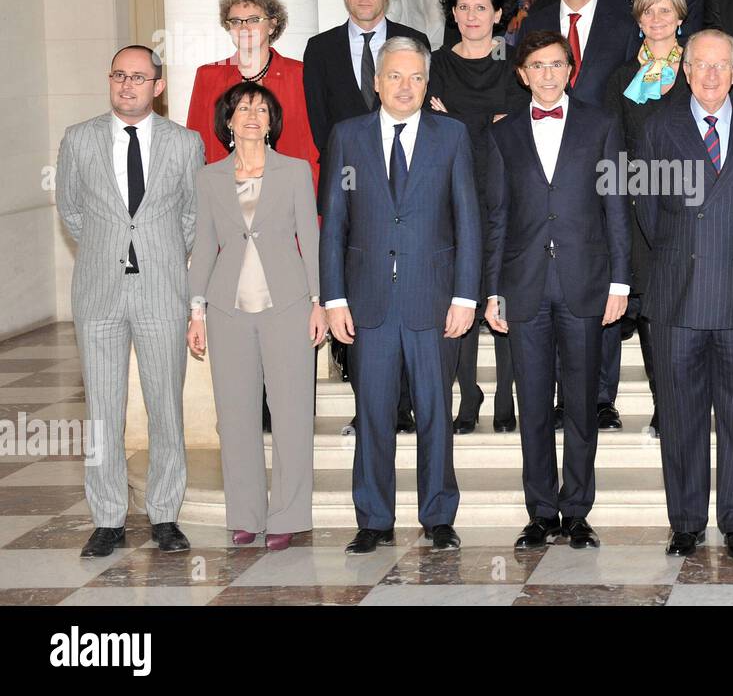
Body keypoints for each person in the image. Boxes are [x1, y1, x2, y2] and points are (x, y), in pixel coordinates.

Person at [320, 36, 481, 554]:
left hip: (433, 299)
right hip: (366, 302)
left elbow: (469, 221)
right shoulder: (347, 137)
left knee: (436, 410)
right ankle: (373, 518)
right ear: (377, 81)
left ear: (426, 82)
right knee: (372, 411)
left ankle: (438, 516)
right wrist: (334, 298)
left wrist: (466, 296)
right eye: (395, 76)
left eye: (415, 77)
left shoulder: (452, 136)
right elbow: (334, 225)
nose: (405, 86)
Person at [484, 31, 631, 551]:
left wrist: (620, 280)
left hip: (585, 282)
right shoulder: (503, 135)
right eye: (537, 66)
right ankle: (541, 511)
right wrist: (492, 289)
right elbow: (497, 216)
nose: (548, 74)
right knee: (534, 405)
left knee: (581, 404)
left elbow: (616, 208)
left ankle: (577, 511)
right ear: (522, 74)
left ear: (570, 69)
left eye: (557, 65)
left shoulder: (601, 124)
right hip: (523, 285)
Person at [56, 45, 204, 558]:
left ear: (157, 87)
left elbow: (192, 214)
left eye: (138, 78)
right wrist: (109, 249)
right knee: (102, 410)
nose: (126, 85)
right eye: (119, 75)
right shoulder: (78, 139)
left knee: (165, 406)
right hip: (98, 293)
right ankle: (107, 518)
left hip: (163, 290)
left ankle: (165, 515)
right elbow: (71, 211)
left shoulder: (186, 143)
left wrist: (159, 253)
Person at [638, 29, 733, 560]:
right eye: (702, 65)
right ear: (685, 71)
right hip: (677, 297)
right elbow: (648, 216)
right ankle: (688, 522)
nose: (712, 75)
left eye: (722, 66)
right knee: (680, 417)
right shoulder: (658, 128)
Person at [186, 82, 326, 551]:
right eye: (243, 108)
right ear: (228, 119)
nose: (252, 115)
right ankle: (245, 514)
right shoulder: (209, 178)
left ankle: (287, 515)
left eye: (262, 109)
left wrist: (318, 302)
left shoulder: (295, 171)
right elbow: (205, 246)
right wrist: (197, 310)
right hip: (227, 309)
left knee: (290, 415)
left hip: (287, 305)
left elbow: (311, 238)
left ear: (272, 121)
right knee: (236, 415)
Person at [303, 0, 431, 436]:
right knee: (359, 298)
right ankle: (368, 403)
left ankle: (401, 405)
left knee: (401, 298)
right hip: (349, 190)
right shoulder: (320, 49)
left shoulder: (413, 42)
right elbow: (321, 126)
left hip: (406, 191)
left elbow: (417, 113)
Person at [428, 0, 529, 434]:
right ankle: (467, 396)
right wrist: (484, 119)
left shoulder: (514, 65)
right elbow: (433, 129)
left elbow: (512, 128)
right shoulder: (433, 64)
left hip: (503, 192)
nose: (472, 16)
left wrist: (457, 119)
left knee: (502, 294)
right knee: (460, 295)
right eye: (464, 8)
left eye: (481, 8)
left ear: (499, 15)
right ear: (453, 13)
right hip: (447, 195)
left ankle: (507, 396)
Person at [602, 0, 691, 435]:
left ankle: (678, 403)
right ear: (638, 22)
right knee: (651, 310)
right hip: (636, 208)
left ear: (680, 16)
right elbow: (611, 146)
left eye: (665, 11)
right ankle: (659, 404)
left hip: (687, 205)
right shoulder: (620, 78)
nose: (656, 21)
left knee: (676, 307)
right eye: (647, 13)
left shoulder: (697, 72)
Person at [187, 0, 319, 184]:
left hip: (288, 192)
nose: (244, 27)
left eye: (254, 20)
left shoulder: (301, 74)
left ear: (273, 25)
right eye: (236, 21)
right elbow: (195, 146)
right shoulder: (208, 76)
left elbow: (313, 144)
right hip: (224, 193)